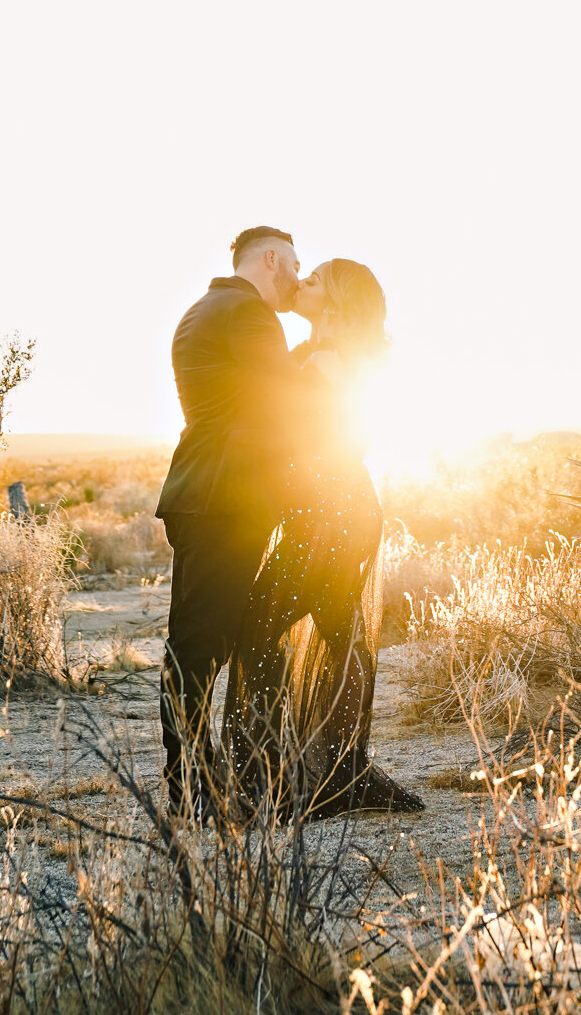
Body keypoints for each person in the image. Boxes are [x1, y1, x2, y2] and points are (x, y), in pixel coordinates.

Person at [154, 224, 339, 813]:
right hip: (224, 502)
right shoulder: (250, 315)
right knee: (199, 647)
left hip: (201, 493)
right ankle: (190, 787)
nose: (296, 276)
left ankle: (207, 777)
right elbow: (288, 401)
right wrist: (326, 353)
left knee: (201, 643)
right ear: (268, 260)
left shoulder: (206, 308)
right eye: (293, 264)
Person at [231, 257, 424, 815]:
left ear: (335, 303)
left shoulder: (334, 361)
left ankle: (284, 774)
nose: (301, 283)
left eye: (312, 280)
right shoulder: (318, 356)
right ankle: (338, 771)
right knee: (338, 632)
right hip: (322, 512)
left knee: (262, 631)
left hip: (333, 515)